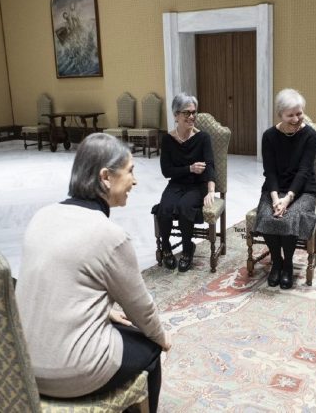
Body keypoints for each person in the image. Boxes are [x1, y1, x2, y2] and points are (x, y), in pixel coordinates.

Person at [16, 133, 169, 413]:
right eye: (130, 171)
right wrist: (162, 338)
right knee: (150, 349)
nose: (134, 181)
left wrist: (106, 312)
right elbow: (140, 309)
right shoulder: (110, 235)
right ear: (106, 177)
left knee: (120, 327)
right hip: (71, 374)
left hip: (23, 367)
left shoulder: (42, 216)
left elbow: (56, 284)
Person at [253, 88, 316, 290]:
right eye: (290, 115)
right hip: (274, 189)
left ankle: (288, 264)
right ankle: (276, 261)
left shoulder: (310, 135)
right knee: (267, 215)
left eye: (299, 113)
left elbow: (304, 171)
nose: (296, 118)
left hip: (303, 190)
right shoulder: (269, 136)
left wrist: (287, 199)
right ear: (280, 114)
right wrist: (275, 199)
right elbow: (269, 171)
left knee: (289, 217)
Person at [153, 93, 216, 272]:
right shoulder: (167, 140)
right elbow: (166, 171)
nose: (191, 116)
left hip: (197, 186)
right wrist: (189, 168)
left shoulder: (203, 138)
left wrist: (211, 190)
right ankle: (166, 246)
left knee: (184, 208)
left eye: (193, 112)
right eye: (186, 113)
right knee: (164, 208)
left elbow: (210, 165)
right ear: (176, 115)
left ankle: (188, 248)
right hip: (176, 183)